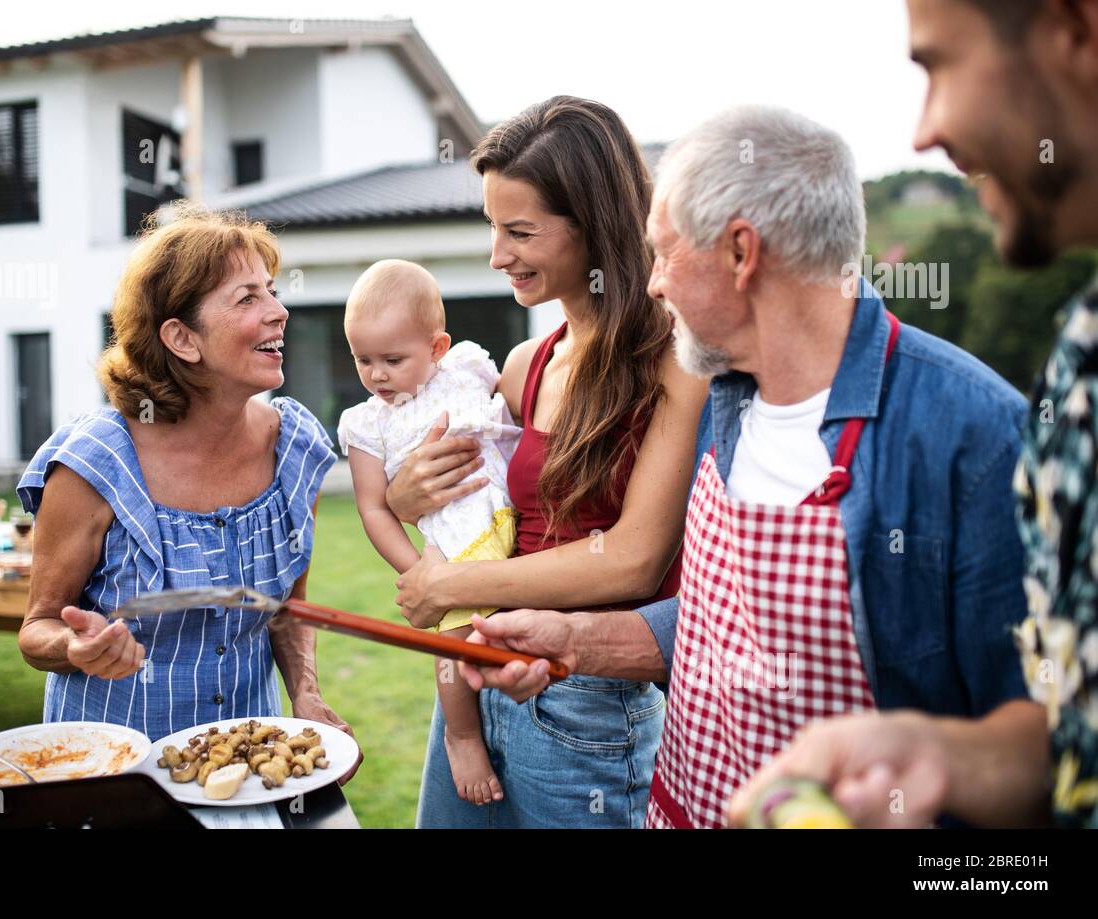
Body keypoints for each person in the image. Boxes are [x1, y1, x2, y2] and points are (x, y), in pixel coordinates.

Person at [457, 105, 1031, 828]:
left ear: (740, 253)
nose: (653, 283)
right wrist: (575, 640)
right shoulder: (724, 402)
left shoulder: (974, 437)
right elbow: (719, 624)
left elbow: (1051, 745)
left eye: (664, 254)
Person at [733, 0, 1098, 829]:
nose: (926, 129)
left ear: (1076, 32)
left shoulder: (978, 422)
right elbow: (1074, 737)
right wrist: (939, 756)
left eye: (937, 64)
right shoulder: (1082, 355)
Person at [387, 96, 709, 828]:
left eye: (520, 231)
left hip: (585, 699)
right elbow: (479, 509)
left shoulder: (676, 363)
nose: (499, 255)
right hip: (482, 681)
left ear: (592, 224)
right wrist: (407, 497)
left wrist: (452, 584)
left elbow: (632, 559)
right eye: (494, 229)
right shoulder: (523, 365)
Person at [16, 205, 359, 783]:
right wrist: (76, 648)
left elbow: (287, 611)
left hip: (242, 771)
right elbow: (37, 629)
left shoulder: (292, 446)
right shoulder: (94, 462)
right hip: (112, 773)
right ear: (181, 337)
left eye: (271, 292)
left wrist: (306, 695)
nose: (280, 311)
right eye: (248, 298)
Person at [337, 259, 521, 806]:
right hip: (456, 542)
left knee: (515, 633)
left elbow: (516, 408)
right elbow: (373, 509)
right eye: (363, 359)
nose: (377, 374)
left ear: (438, 347)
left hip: (513, 518)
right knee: (455, 643)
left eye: (393, 359)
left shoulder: (466, 367)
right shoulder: (368, 423)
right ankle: (461, 734)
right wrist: (420, 572)